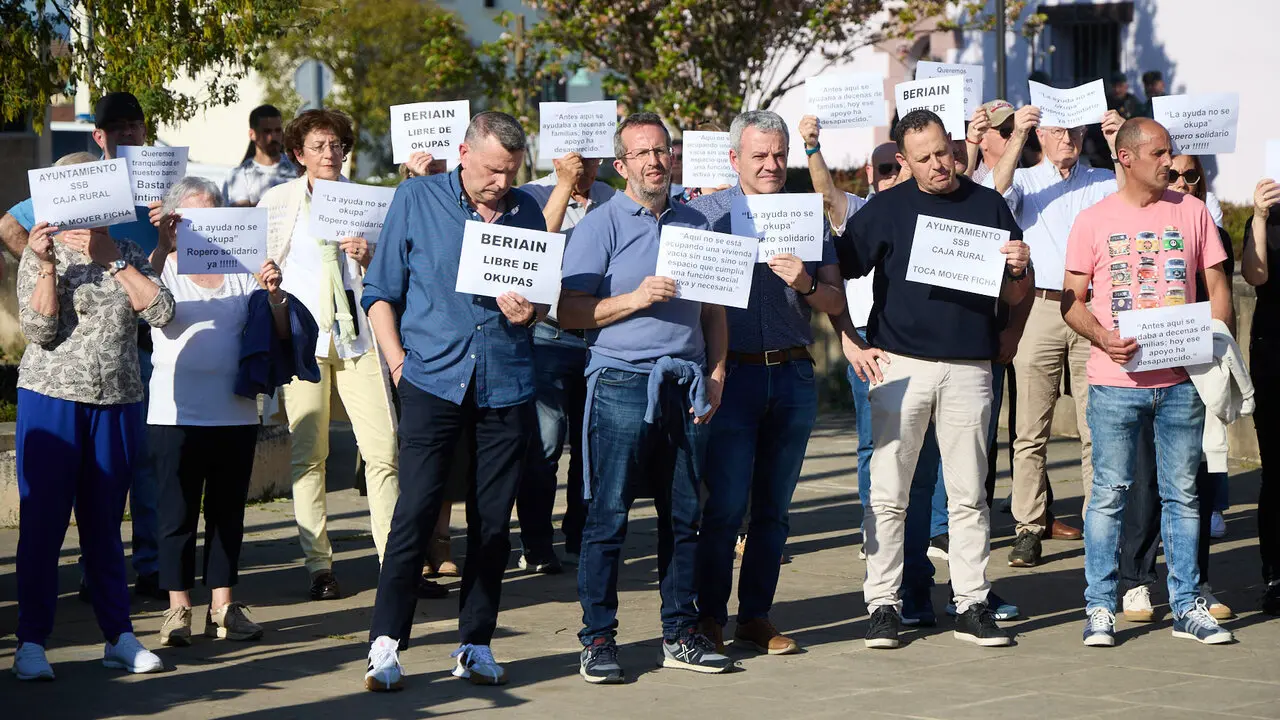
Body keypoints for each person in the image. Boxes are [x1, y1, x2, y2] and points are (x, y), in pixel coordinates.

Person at [360, 111, 545, 692]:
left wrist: (531, 310)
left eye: (511, 172)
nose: (501, 183)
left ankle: (475, 644)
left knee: (492, 523)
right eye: (492, 170)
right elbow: (379, 291)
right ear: (464, 154)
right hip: (431, 380)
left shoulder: (528, 211)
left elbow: (543, 294)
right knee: (414, 512)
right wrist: (397, 364)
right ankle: (385, 645)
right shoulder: (415, 198)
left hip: (506, 382)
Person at [836, 109, 1031, 650]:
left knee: (969, 495)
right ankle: (882, 606)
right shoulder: (887, 208)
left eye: (943, 152)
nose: (938, 164)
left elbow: (1016, 291)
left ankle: (971, 603)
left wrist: (1019, 268)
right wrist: (848, 337)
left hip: (970, 366)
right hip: (900, 365)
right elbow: (837, 271)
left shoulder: (987, 204)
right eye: (924, 158)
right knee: (888, 494)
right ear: (904, 160)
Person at [560, 112, 731, 683]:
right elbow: (569, 311)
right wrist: (635, 298)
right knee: (608, 516)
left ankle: (679, 633)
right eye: (643, 153)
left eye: (662, 151)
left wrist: (716, 374)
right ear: (621, 165)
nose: (655, 162)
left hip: (686, 384)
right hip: (620, 383)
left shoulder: (696, 222)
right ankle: (598, 640)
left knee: (683, 517)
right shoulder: (600, 225)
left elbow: (714, 311)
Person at [1063, 117, 1234, 648]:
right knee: (1109, 496)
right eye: (1159, 153)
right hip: (1115, 383)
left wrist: (1212, 338)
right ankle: (1100, 607)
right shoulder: (1092, 220)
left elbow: (1218, 284)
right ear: (1127, 158)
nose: (1169, 161)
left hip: (1182, 382)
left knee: (1183, 495)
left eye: (1170, 152)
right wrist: (1102, 336)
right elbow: (1071, 301)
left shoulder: (1193, 211)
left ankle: (1187, 606)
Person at [688, 111, 844, 655]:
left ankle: (756, 617)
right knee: (724, 506)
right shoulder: (704, 216)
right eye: (759, 155)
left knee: (774, 509)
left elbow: (835, 300)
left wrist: (806, 283)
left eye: (779, 154)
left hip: (793, 374)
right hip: (731, 378)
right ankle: (708, 617)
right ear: (734, 159)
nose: (772, 165)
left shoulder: (807, 215)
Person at [12, 183, 176, 680]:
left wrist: (113, 260)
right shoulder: (42, 254)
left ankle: (118, 636)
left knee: (104, 523)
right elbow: (39, 331)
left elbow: (162, 312)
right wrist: (46, 266)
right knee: (43, 524)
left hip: (116, 400)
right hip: (52, 399)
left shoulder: (126, 253)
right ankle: (31, 643)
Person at [148, 178, 305, 646]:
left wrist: (273, 292)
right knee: (176, 514)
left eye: (212, 214)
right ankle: (178, 608)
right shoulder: (163, 267)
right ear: (175, 222)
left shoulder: (241, 268)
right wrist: (162, 247)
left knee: (227, 513)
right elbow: (141, 302)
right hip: (174, 413)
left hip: (234, 412)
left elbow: (279, 332)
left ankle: (223, 606)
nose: (204, 226)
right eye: (193, 217)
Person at [259, 109, 400, 602]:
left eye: (337, 144)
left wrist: (369, 257)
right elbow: (260, 261)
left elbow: (394, 272)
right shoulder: (278, 201)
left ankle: (393, 562)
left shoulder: (368, 201)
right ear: (298, 154)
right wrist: (267, 280)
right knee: (309, 455)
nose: (330, 154)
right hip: (306, 340)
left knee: (383, 450)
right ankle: (319, 566)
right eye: (318, 146)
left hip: (359, 337)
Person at [988, 103, 1126, 568]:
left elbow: (1134, 198)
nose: (1067, 137)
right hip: (1039, 304)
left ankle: (1100, 525)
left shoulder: (1102, 180)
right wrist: (1016, 135)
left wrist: (1118, 145)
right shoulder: (1027, 180)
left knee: (1097, 426)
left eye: (1075, 129)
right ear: (1041, 135)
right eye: (1057, 129)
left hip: (1092, 308)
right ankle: (1029, 526)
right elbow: (993, 192)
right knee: (1030, 428)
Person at [1118, 153, 1237, 623]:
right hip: (1145, 365)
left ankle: (1197, 585)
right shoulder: (1137, 224)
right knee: (1145, 478)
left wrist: (1216, 349)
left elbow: (1221, 292)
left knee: (1196, 483)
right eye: (1175, 174)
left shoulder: (1211, 230)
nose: (1183, 181)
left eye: (1193, 175)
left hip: (1196, 367)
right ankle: (1136, 581)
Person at [514, 152, 615, 573]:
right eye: (576, 158)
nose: (584, 167)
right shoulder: (531, 195)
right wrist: (562, 186)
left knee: (592, 446)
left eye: (591, 159)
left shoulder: (612, 198)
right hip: (550, 336)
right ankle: (537, 544)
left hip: (600, 337)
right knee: (546, 443)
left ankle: (581, 536)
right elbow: (537, 246)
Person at [397, 151, 461, 593]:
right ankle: (411, 552)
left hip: (454, 344)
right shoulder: (404, 197)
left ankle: (441, 540)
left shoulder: (474, 201)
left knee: (453, 455)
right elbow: (388, 275)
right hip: (409, 344)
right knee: (412, 456)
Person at [1240, 174, 1280, 614]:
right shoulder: (1269, 217)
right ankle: (1276, 575)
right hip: (1274, 353)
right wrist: (1260, 217)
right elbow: (1255, 274)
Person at [223, 104, 297, 207]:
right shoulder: (240, 175)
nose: (273, 137)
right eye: (267, 131)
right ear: (252, 134)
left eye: (278, 130)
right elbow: (242, 213)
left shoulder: (297, 169)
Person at [963, 100, 1015, 185]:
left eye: (1017, 129)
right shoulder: (972, 183)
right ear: (983, 140)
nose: (1015, 136)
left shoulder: (1033, 176)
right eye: (1006, 131)